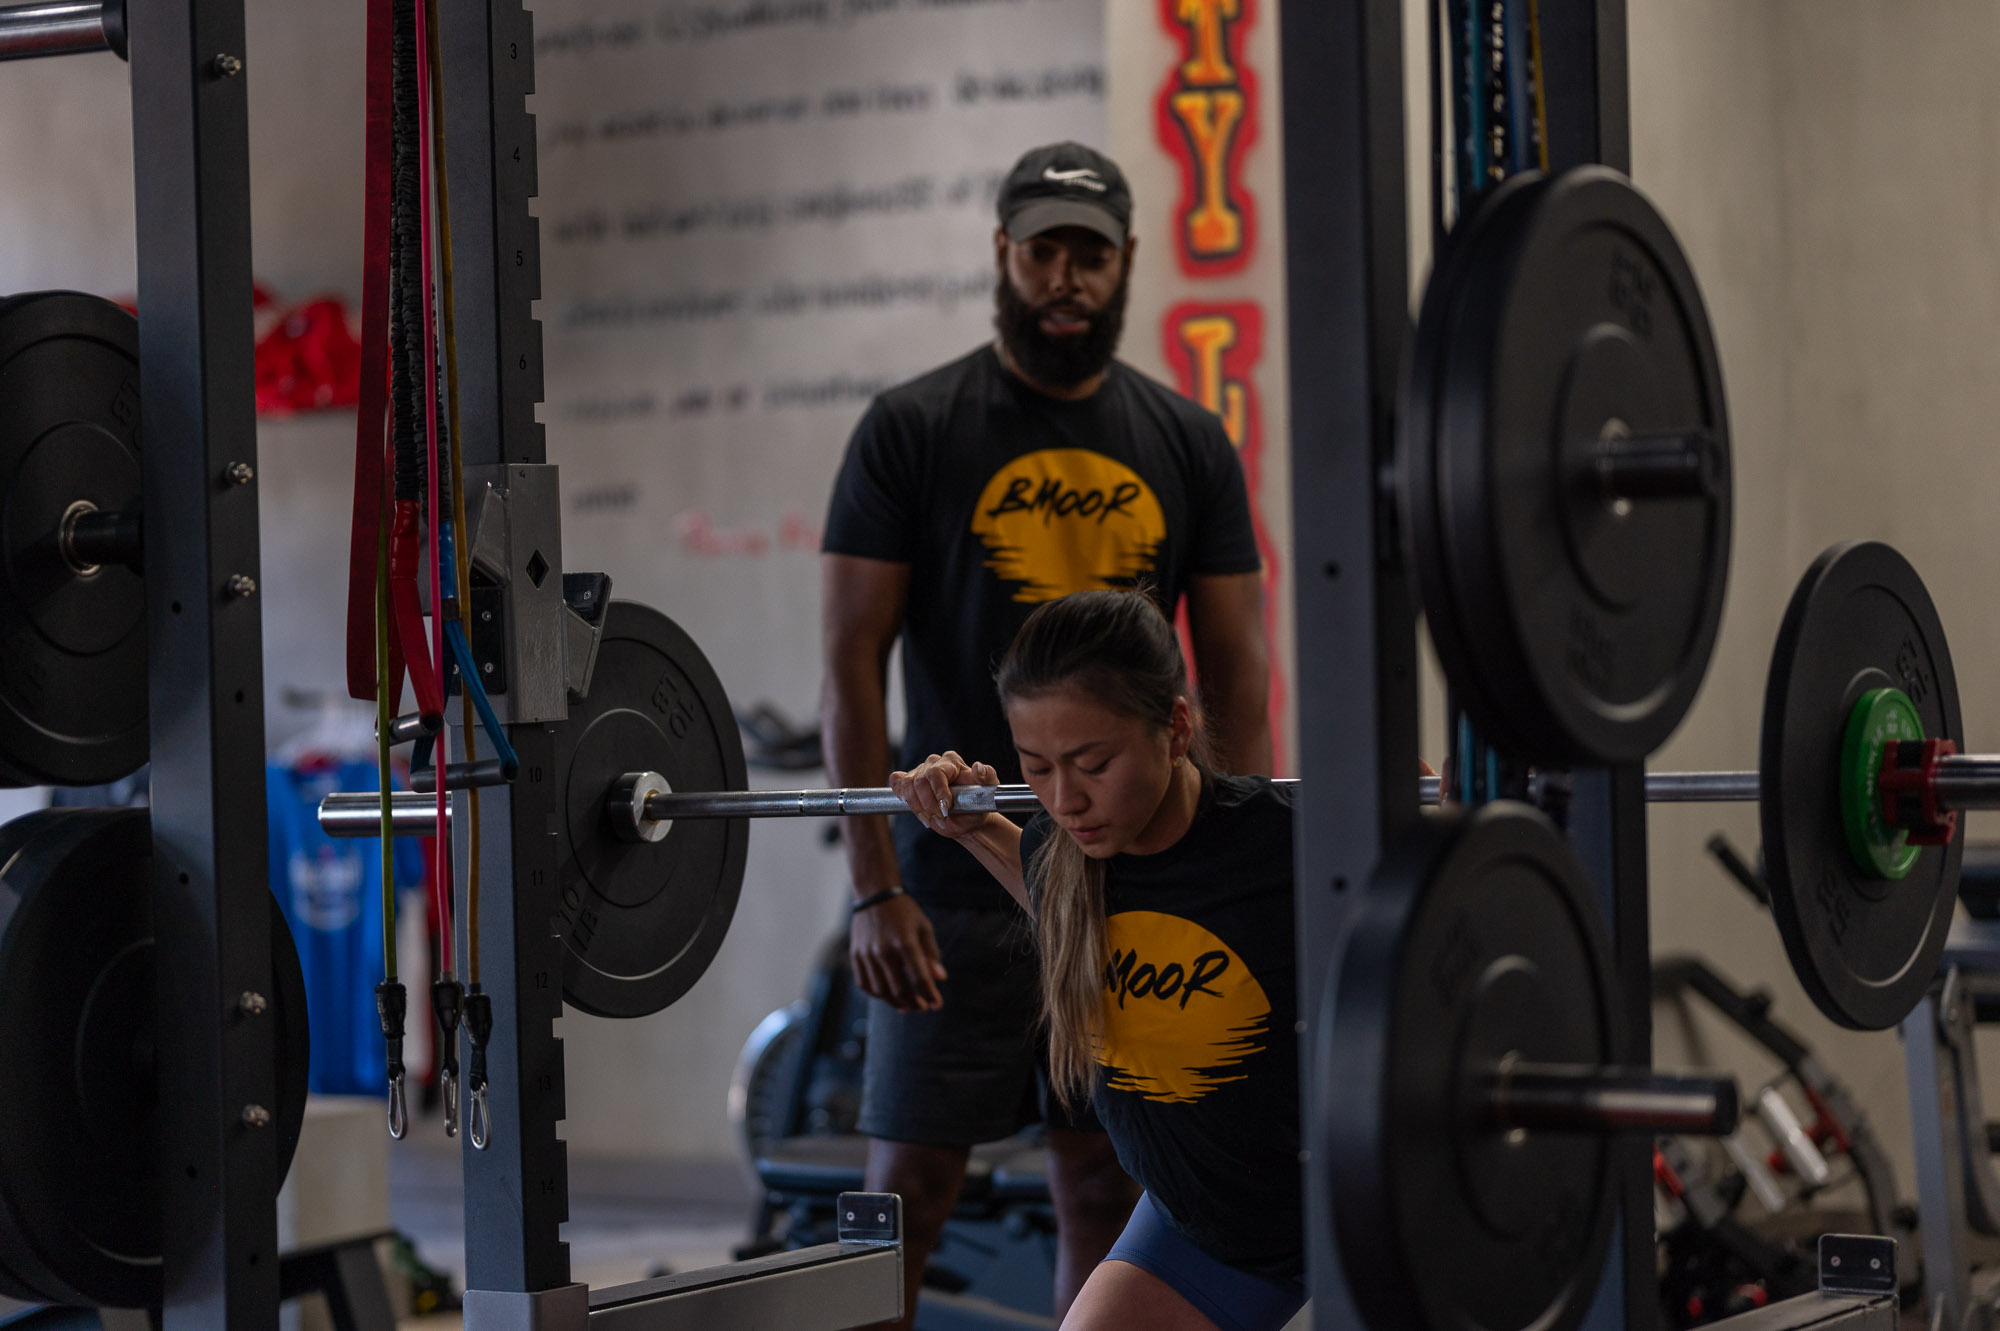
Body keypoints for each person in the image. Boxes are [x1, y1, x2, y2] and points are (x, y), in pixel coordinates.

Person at [821, 139, 1272, 1327]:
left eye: (1088, 254)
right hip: (957, 867)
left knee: (1108, 1175)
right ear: (1001, 257)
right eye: (1041, 253)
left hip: (1132, 875)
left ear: (1125, 263)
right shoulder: (911, 428)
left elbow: (1231, 667)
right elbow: (847, 663)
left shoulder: (1183, 439)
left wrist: (1236, 862)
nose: (1062, 278)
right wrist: (873, 886)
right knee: (906, 1186)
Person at [890, 588, 1301, 1331]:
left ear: (1177, 728)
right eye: (1037, 766)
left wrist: (1437, 833)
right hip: (1200, 1232)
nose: (1065, 797)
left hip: (1347, 1211)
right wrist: (972, 824)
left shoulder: (1280, 846)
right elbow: (1051, 891)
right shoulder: (1064, 855)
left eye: (1092, 762)